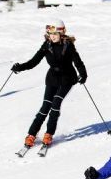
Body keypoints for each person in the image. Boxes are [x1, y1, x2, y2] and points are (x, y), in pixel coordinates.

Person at [12, 19, 87, 148]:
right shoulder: (46, 45)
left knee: (56, 104)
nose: (52, 36)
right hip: (52, 78)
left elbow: (77, 61)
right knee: (45, 107)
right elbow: (33, 62)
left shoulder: (68, 45)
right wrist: (20, 67)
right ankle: (31, 134)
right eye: (50, 33)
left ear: (62, 33)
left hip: (67, 78)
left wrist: (83, 74)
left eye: (55, 33)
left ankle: (49, 133)